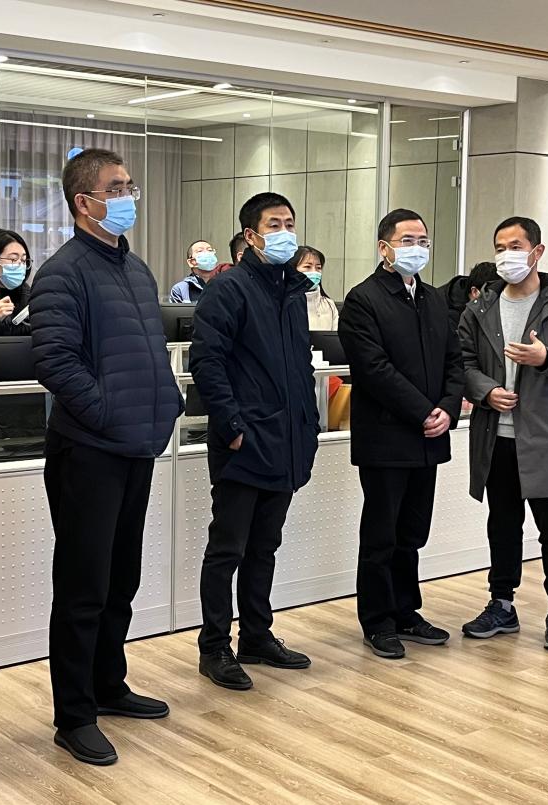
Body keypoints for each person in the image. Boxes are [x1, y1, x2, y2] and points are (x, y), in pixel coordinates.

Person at [30, 149, 183, 765]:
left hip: (136, 445)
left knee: (122, 577)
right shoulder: (62, 273)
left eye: (129, 186)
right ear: (83, 202)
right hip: (89, 450)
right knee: (83, 586)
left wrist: (166, 403)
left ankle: (108, 683)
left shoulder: (136, 270)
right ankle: (74, 715)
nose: (127, 197)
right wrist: (107, 414)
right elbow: (55, 362)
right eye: (115, 188)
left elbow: (148, 351)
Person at [190, 192, 319, 691]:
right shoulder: (229, 289)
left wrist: (307, 424)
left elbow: (299, 365)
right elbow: (208, 363)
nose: (285, 232)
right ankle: (214, 647)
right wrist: (232, 426)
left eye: (290, 223)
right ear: (251, 235)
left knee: (265, 545)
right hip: (244, 441)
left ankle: (257, 635)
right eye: (274, 224)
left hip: (286, 438)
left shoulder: (293, 291)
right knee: (228, 548)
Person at [458, 216, 548, 652]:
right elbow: (462, 363)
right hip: (495, 438)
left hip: (545, 438)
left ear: (537, 252)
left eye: (516, 247)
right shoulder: (480, 308)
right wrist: (486, 391)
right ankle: (502, 603)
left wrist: (545, 358)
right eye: (500, 247)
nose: (507, 256)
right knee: (502, 526)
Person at [338, 209, 465, 659]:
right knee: (381, 535)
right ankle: (377, 620)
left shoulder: (433, 299)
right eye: (408, 240)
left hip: (430, 436)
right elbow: (373, 369)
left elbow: (455, 360)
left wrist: (448, 408)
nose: (418, 248)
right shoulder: (363, 300)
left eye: (423, 241)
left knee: (412, 532)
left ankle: (406, 611)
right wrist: (423, 411)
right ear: (384, 247)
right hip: (387, 437)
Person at [293, 245, 339, 330]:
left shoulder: (329, 305)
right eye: (307, 267)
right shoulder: (284, 304)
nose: (314, 272)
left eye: (318, 268)